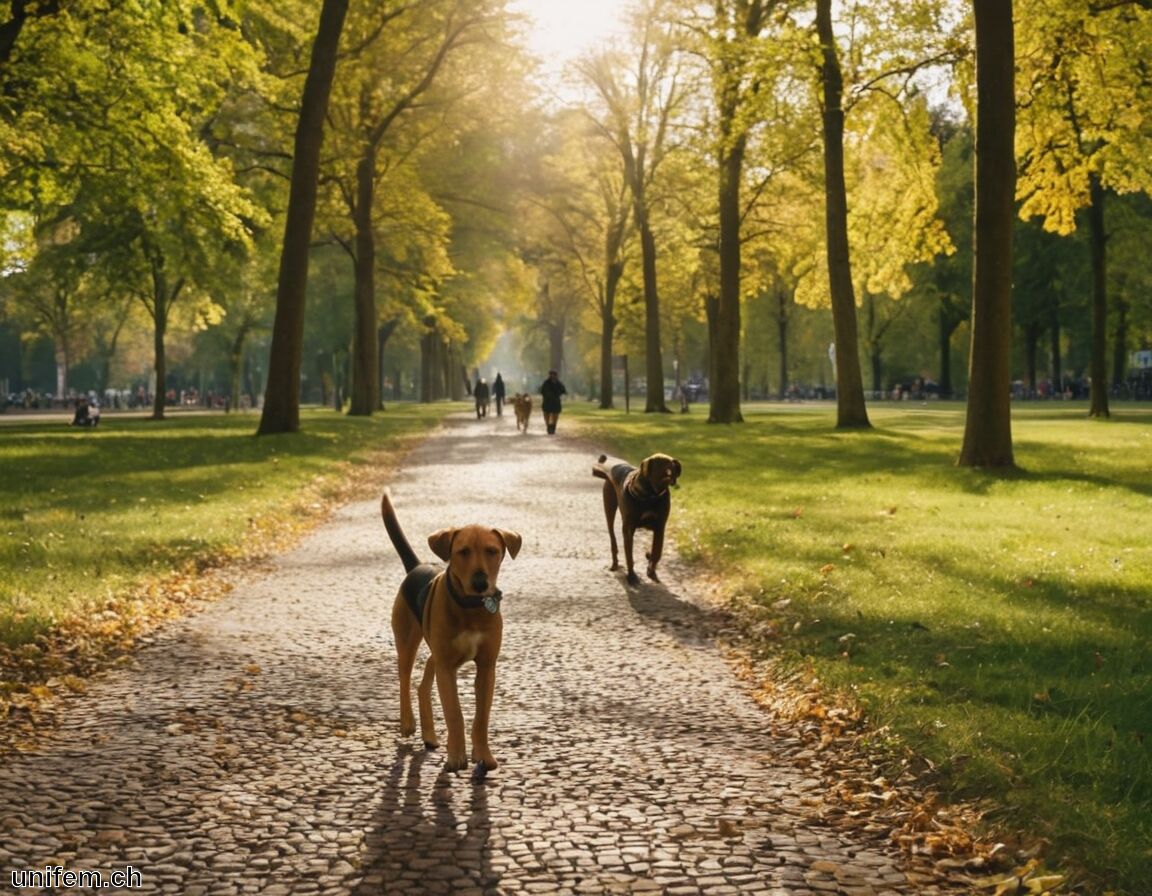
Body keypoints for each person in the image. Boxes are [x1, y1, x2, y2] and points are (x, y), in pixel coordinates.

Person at [539, 369, 566, 435]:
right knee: (546, 415)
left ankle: (553, 427)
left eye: (554, 375)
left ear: (556, 376)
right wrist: (547, 395)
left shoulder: (559, 383)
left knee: (555, 415)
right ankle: (548, 427)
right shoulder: (546, 383)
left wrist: (559, 393)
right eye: (551, 375)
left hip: (555, 402)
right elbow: (542, 391)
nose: (553, 376)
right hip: (547, 401)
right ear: (550, 375)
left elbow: (563, 390)